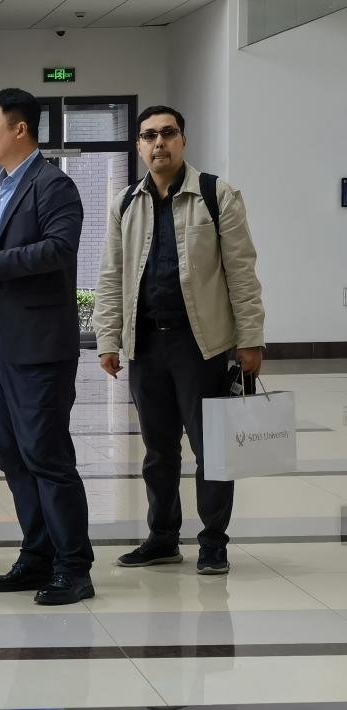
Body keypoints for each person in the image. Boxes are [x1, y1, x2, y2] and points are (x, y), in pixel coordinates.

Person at [94, 105, 265, 575]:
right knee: (158, 451)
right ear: (139, 146)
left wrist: (251, 338)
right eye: (149, 135)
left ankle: (213, 542)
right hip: (146, 346)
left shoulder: (216, 195)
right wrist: (108, 337)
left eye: (168, 133)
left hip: (202, 346)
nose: (159, 143)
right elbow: (111, 275)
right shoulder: (125, 203)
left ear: (183, 140)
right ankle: (163, 538)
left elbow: (242, 273)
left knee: (212, 450)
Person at [0, 88, 94, 605]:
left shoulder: (54, 185)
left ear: (20, 128)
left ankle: (74, 567)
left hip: (39, 347)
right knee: (11, 455)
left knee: (46, 455)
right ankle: (37, 556)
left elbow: (59, 249)